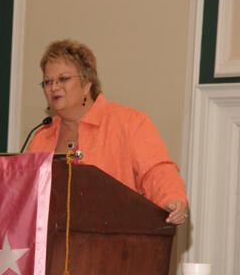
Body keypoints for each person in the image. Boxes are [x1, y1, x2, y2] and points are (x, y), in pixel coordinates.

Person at [27, 39, 188, 225]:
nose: (54, 87)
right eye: (47, 82)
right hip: (54, 246)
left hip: (115, 244)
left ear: (87, 84)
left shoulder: (128, 123)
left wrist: (171, 198)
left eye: (63, 79)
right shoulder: (41, 138)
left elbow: (156, 170)